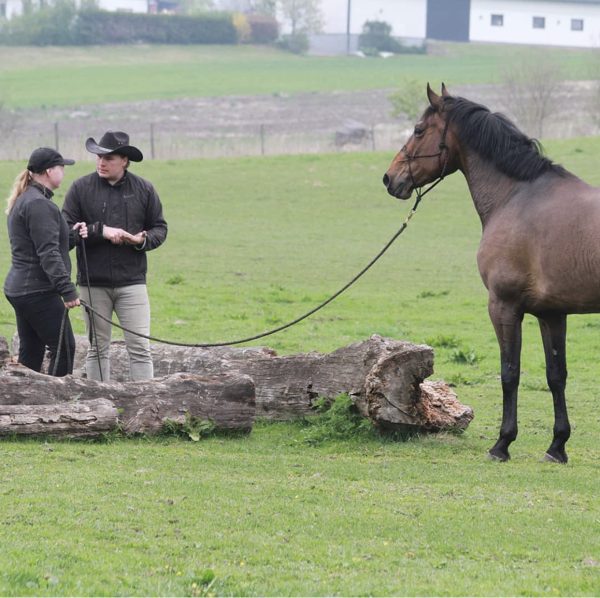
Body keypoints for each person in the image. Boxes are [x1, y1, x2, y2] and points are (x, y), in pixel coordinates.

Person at [62, 131, 167, 382]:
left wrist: (140, 241)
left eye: (108, 157)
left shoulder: (145, 189)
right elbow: (64, 233)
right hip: (92, 283)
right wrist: (100, 231)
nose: (101, 162)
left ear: (124, 160)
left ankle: (145, 407)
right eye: (98, 156)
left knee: (140, 349)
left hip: (132, 282)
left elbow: (160, 229)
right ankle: (99, 410)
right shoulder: (80, 188)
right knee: (97, 350)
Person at [4, 147, 87, 377]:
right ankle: (58, 401)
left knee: (31, 349)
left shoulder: (27, 199)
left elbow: (42, 245)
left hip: (21, 289)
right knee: (64, 348)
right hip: (37, 290)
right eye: (61, 168)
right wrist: (67, 290)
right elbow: (48, 253)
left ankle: (26, 400)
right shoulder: (40, 204)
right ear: (50, 171)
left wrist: (71, 235)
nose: (64, 172)